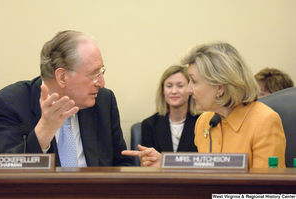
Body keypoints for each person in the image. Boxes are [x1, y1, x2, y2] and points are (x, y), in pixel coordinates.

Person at [122, 41, 286, 168]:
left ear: (219, 87)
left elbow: (267, 190)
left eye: (193, 81)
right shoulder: (204, 122)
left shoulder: (265, 121)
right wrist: (164, 164)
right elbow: (199, 176)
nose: (188, 89)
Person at [0, 30, 132, 167]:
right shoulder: (9, 103)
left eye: (101, 71)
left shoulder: (104, 101)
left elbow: (122, 164)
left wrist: (150, 172)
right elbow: (5, 170)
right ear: (62, 77)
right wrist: (45, 130)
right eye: (93, 74)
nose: (101, 83)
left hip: (94, 189)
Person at [142, 65, 200, 153]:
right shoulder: (149, 125)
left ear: (190, 89)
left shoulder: (203, 123)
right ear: (163, 90)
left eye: (180, 86)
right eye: (169, 86)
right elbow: (148, 163)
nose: (174, 91)